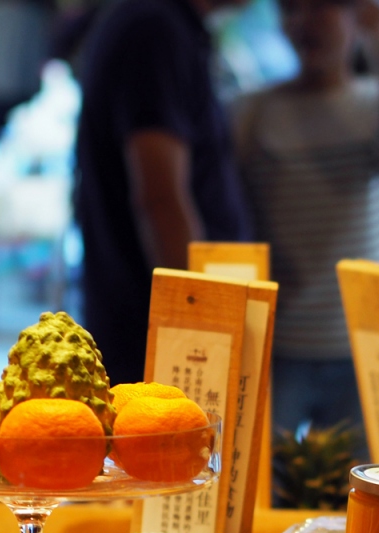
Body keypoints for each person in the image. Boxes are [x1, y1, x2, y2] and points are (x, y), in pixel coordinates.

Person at [232, 0, 379, 443]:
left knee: (359, 477)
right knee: (267, 475)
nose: (305, 21)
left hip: (362, 339)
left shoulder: (375, 104)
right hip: (280, 339)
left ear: (354, 17)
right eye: (293, 9)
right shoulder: (252, 111)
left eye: (322, 8)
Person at [75, 0, 253, 385]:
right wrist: (204, 339)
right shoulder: (154, 29)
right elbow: (160, 199)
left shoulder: (162, 24)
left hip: (152, 339)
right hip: (156, 351)